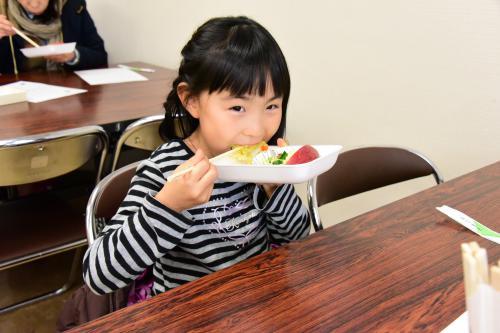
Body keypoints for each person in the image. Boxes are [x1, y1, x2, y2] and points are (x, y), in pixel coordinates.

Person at [82, 16, 310, 298]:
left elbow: (299, 238)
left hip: (256, 302)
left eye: (272, 106)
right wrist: (169, 206)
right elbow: (97, 275)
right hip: (189, 313)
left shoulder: (264, 162)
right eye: (238, 107)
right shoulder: (167, 170)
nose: (257, 130)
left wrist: (277, 191)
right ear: (191, 101)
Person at [0, 0, 107, 74]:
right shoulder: (3, 12)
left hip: (68, 93)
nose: (34, 2)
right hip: (20, 97)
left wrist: (73, 56)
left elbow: (100, 56)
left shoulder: (72, 6)